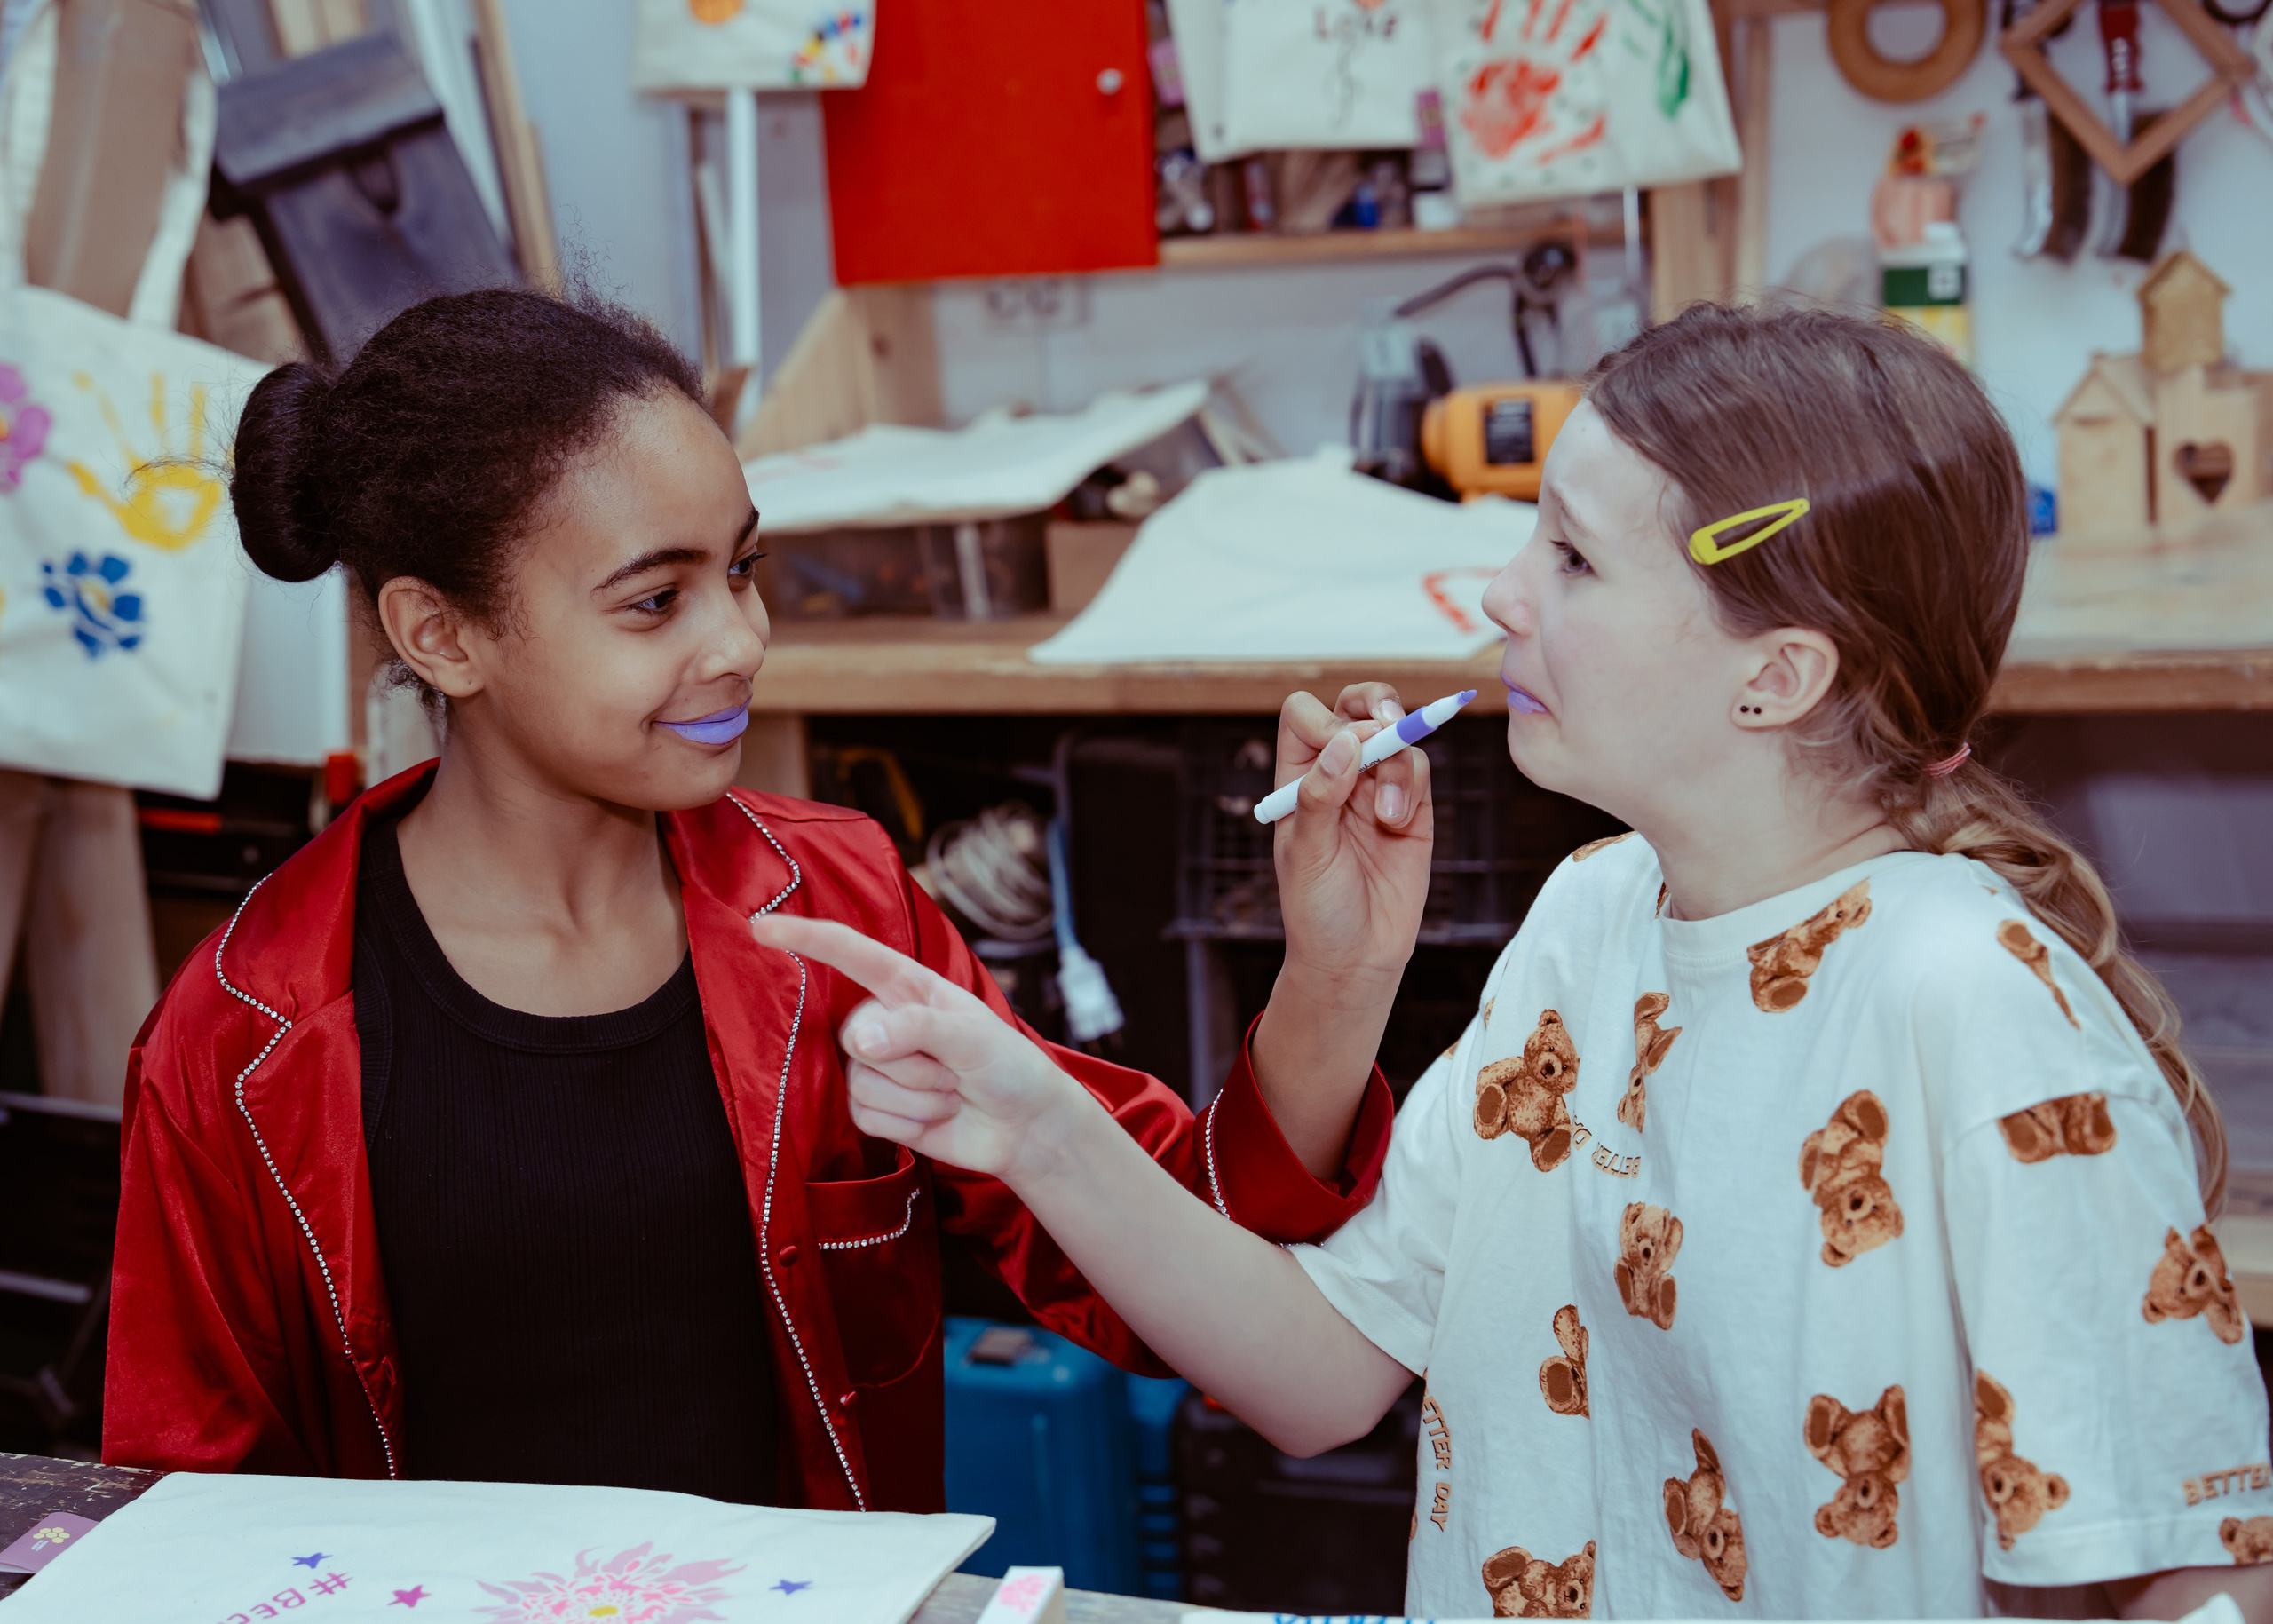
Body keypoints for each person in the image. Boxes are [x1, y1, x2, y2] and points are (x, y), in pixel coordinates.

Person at [760, 304, 2273, 1617]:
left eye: (1570, 554)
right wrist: (1031, 1124)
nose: (1499, 593)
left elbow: (2195, 1565)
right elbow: (1319, 1371)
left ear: (1777, 675)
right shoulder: (1592, 917)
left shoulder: (1976, 1005)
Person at [102, 287, 1437, 1512]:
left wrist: (1332, 974)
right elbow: (186, 1530)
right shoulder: (238, 1036)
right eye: (655, 600)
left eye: (739, 568)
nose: (739, 641)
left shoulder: (840, 909)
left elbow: (1173, 1247)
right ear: (441, 635)